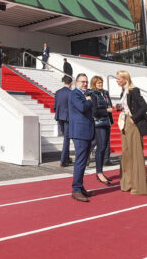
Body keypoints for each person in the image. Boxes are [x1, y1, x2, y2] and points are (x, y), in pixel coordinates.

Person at [116, 70, 147, 195]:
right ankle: (128, 183)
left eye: (119, 78)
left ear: (125, 79)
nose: (117, 80)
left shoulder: (133, 90)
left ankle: (139, 187)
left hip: (132, 124)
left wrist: (134, 118)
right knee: (126, 154)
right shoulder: (123, 92)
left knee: (136, 155)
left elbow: (144, 107)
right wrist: (121, 108)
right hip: (124, 124)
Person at [69, 73, 94, 202]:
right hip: (80, 132)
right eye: (82, 82)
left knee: (83, 161)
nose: (85, 84)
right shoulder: (75, 94)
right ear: (76, 83)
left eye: (86, 82)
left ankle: (80, 186)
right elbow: (82, 108)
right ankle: (76, 189)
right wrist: (89, 101)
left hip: (86, 131)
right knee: (80, 161)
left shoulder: (83, 94)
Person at [89, 76, 113, 185]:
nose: (101, 84)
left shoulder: (105, 93)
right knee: (101, 147)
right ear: (94, 84)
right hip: (98, 123)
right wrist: (107, 110)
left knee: (104, 148)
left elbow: (110, 106)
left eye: (101, 82)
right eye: (98, 83)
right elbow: (94, 112)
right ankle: (99, 172)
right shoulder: (92, 94)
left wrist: (113, 108)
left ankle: (101, 172)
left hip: (107, 122)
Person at [54, 75, 73, 167]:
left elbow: (55, 106)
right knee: (67, 139)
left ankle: (67, 158)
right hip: (68, 118)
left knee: (66, 139)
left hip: (59, 117)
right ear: (70, 83)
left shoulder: (58, 92)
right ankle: (63, 160)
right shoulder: (71, 93)